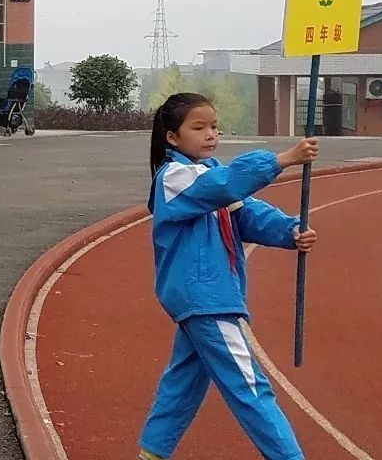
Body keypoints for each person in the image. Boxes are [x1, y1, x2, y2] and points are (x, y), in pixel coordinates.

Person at [137, 93, 320, 460]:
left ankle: (152, 452)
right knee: (250, 386)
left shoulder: (208, 173)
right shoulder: (174, 177)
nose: (210, 135)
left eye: (214, 127)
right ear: (172, 137)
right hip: (205, 296)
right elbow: (225, 187)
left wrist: (290, 231)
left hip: (207, 297)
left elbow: (247, 214)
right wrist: (283, 159)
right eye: (199, 127)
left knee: (184, 381)